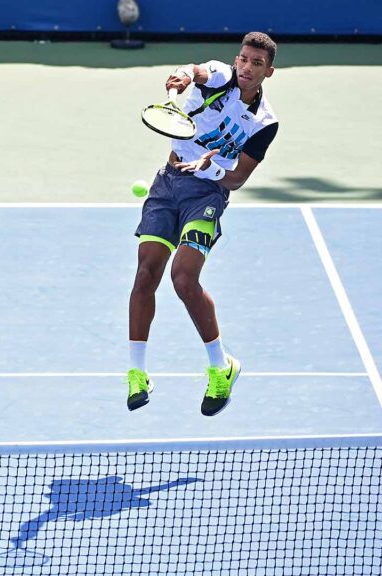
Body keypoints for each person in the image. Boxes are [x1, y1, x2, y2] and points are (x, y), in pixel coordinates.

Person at [127, 32, 278, 416]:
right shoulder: (220, 75)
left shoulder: (264, 123)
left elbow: (238, 177)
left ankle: (220, 366)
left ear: (269, 72)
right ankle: (137, 373)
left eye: (256, 64)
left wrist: (211, 169)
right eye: (243, 59)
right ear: (236, 59)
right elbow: (196, 71)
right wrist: (181, 75)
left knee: (183, 278)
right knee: (145, 274)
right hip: (167, 183)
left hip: (207, 196)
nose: (246, 68)